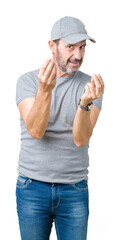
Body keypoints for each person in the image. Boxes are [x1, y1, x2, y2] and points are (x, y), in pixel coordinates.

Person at [15, 16, 104, 240]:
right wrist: (44, 90)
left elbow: (81, 139)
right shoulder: (27, 82)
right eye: (70, 47)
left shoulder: (90, 87)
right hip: (32, 188)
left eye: (82, 47)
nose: (78, 55)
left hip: (74, 190)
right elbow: (35, 131)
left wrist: (85, 103)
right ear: (52, 46)